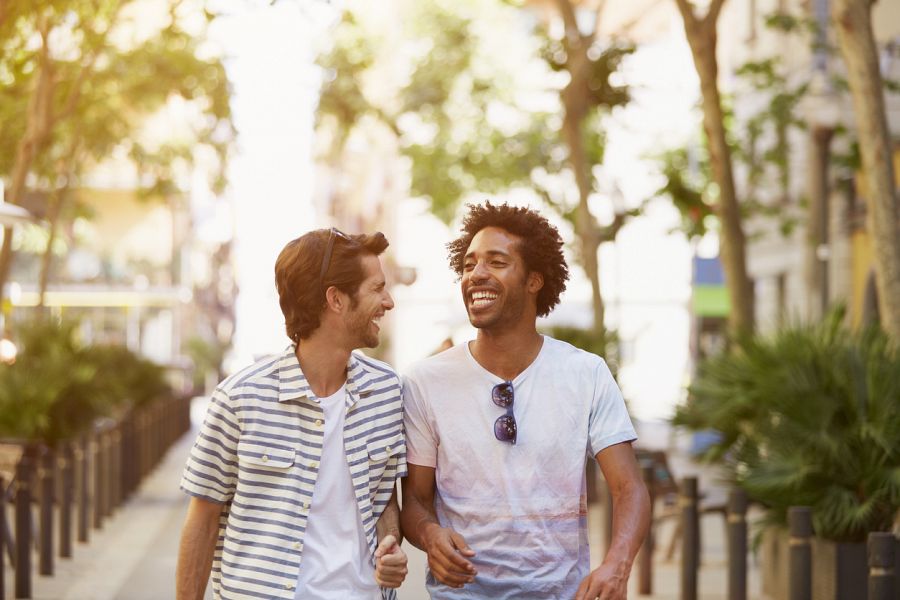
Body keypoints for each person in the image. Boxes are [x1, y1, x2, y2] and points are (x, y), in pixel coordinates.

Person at [401, 203, 650, 600]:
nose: (476, 274)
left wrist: (617, 566)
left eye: (496, 262)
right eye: (468, 265)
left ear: (534, 280)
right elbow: (414, 498)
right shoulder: (424, 382)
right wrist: (431, 536)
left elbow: (629, 488)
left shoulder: (585, 374)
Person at [176, 228, 409, 600]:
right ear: (335, 299)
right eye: (377, 288)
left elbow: (383, 500)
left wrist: (390, 543)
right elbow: (201, 522)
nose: (388, 301)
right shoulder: (240, 399)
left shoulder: (387, 391)